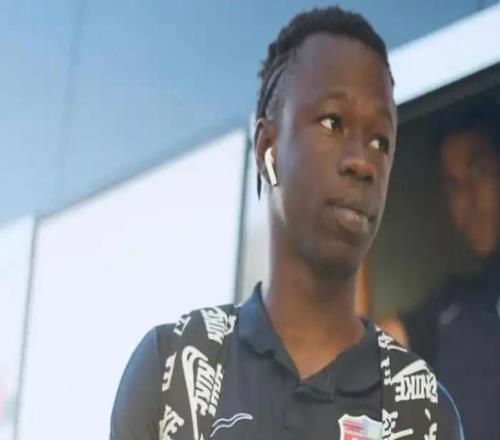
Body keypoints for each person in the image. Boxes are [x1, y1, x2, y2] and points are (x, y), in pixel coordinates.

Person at [110, 7, 464, 440]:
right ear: (267, 149)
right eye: (333, 122)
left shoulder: (424, 416)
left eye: (380, 141)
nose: (362, 162)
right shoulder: (171, 370)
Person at [383, 103, 500, 440]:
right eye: (454, 184)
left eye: (479, 171)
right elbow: (386, 340)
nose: (467, 199)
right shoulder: (453, 308)